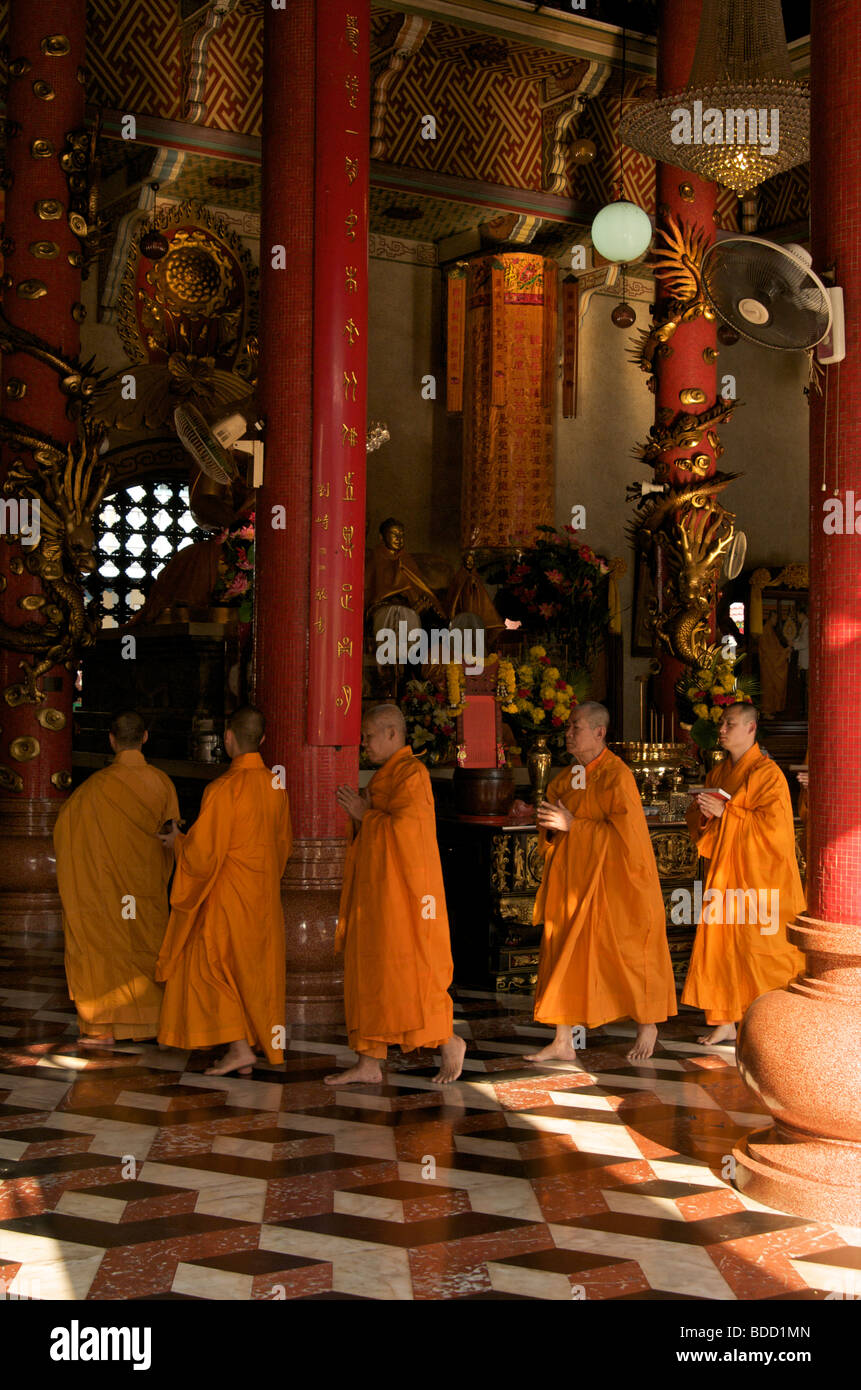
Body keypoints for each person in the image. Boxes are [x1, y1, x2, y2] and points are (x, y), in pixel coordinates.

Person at [525, 702, 677, 1065]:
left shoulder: (616, 775)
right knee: (562, 954)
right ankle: (563, 1039)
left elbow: (628, 839)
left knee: (627, 956)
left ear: (599, 732)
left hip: (613, 886)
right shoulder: (568, 776)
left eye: (576, 727)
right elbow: (553, 819)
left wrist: (573, 825)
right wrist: (548, 823)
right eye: (569, 728)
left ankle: (648, 1025)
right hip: (570, 885)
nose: (568, 733)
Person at [327, 703, 465, 1086]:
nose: (363, 743)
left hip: (403, 899)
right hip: (374, 894)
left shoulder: (412, 775)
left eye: (369, 736)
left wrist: (364, 815)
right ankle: (368, 1060)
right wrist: (365, 814)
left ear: (391, 734)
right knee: (370, 973)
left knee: (406, 973)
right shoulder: (387, 775)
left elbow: (407, 833)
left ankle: (447, 1039)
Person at [155, 704, 292, 1076]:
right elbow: (283, 844)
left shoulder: (223, 788)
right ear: (261, 740)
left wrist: (178, 843)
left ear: (228, 738)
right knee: (250, 972)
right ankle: (248, 1045)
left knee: (208, 967)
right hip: (263, 897)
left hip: (226, 895)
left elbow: (203, 855)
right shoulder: (275, 785)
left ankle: (238, 1048)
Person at [681, 702, 805, 1045]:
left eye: (729, 724)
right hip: (725, 874)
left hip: (761, 879)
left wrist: (728, 812)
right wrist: (707, 813)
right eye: (721, 723)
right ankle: (725, 1019)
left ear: (751, 729)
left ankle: (768, 1017)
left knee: (757, 947)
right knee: (723, 947)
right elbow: (700, 824)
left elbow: (776, 832)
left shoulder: (768, 774)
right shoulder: (718, 774)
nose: (721, 729)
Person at [53, 710, 179, 1046]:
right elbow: (175, 836)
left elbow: (65, 832)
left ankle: (103, 1027)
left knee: (103, 946)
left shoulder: (92, 790)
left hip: (105, 892)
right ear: (145, 737)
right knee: (146, 949)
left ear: (111, 740)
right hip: (146, 892)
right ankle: (154, 1021)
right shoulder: (161, 782)